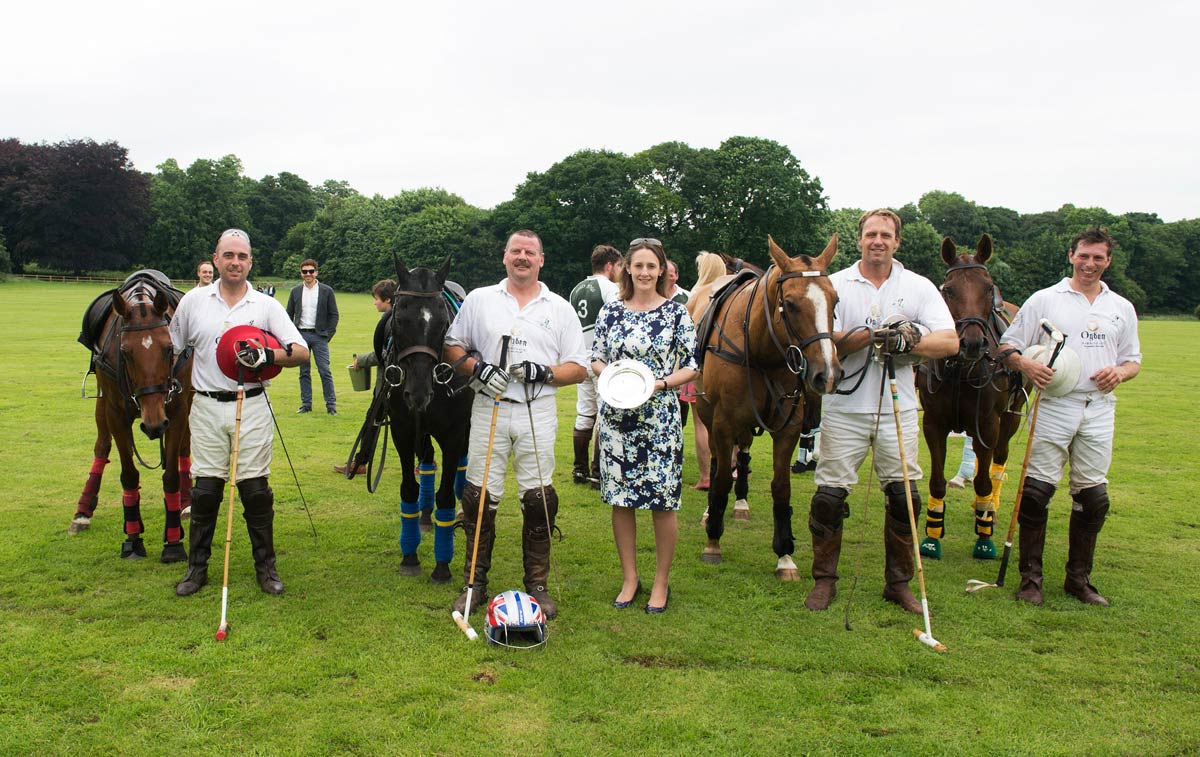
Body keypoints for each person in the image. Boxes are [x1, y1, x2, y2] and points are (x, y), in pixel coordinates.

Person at [804, 209, 958, 614]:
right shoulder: (834, 284)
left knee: (904, 496)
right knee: (829, 497)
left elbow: (950, 342)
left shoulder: (918, 286)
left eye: (886, 235)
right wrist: (863, 338)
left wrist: (909, 342)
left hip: (898, 408)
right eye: (871, 234)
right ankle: (824, 581)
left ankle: (899, 583)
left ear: (897, 241)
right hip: (845, 407)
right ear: (859, 240)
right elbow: (820, 341)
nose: (878, 241)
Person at [443, 230, 588, 619]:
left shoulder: (559, 307)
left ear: (542, 259)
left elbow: (579, 367)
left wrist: (544, 371)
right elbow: (452, 345)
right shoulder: (479, 299)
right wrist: (478, 368)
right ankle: (474, 583)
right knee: (478, 497)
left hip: (536, 408)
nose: (522, 257)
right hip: (489, 405)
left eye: (530, 252)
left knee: (539, 497)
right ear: (504, 257)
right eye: (515, 251)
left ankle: (537, 585)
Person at [1000, 226, 1141, 607]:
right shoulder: (1045, 299)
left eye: (1098, 258)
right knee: (1035, 493)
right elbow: (1007, 347)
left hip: (1098, 407)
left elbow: (1133, 361)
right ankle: (1031, 579)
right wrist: (1027, 366)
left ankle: (1078, 580)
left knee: (1093, 497)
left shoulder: (1120, 308)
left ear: (1108, 261)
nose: (1090, 264)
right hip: (1053, 405)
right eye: (1084, 256)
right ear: (1071, 255)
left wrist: (1120, 373)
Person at [169, 228, 309, 597]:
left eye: (242, 257)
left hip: (252, 404)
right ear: (216, 259)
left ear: (250, 261)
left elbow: (301, 351)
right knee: (205, 490)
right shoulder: (193, 302)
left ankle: (267, 568)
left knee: (255, 489)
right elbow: (172, 350)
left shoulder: (266, 306)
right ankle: (196, 569)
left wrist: (269, 356)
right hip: (206, 406)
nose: (235, 262)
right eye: (228, 255)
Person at [593, 238, 699, 614]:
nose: (643, 272)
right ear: (627, 269)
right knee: (620, 501)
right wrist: (614, 378)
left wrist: (660, 383)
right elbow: (596, 358)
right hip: (617, 420)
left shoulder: (675, 314)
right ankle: (630, 578)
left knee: (662, 502)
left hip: (659, 417)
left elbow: (692, 364)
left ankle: (660, 581)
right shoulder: (611, 312)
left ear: (661, 270)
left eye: (651, 266)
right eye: (637, 265)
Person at [568, 244, 624, 487]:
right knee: (604, 414)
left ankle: (578, 470)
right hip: (603, 361)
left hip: (582, 359)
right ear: (610, 265)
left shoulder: (576, 289)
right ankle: (596, 473)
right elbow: (615, 322)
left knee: (584, 412)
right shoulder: (610, 288)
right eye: (620, 266)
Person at [334, 278, 397, 475]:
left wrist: (361, 360)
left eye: (376, 299)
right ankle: (424, 461)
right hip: (390, 384)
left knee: (373, 422)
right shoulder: (393, 319)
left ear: (387, 300)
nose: (374, 303)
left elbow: (385, 354)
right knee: (376, 421)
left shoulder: (392, 321)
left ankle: (360, 462)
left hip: (389, 385)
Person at [684, 251, 728, 489]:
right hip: (727, 369)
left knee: (701, 423)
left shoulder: (698, 294)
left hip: (698, 367)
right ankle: (730, 467)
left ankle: (706, 477)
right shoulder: (731, 292)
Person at [286, 258, 339, 415]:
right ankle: (306, 404)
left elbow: (334, 314)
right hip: (301, 335)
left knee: (324, 370)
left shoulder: (326, 291)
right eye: (304, 271)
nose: (308, 274)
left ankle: (331, 405)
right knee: (304, 372)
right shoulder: (295, 291)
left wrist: (328, 334)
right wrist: (291, 334)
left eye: (311, 271)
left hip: (319, 336)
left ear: (316, 272)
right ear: (301, 273)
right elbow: (289, 314)